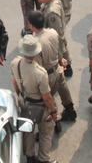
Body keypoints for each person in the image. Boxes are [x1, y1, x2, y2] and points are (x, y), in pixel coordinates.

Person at [11, 34, 57, 163]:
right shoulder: (40, 72)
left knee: (28, 130)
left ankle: (30, 156)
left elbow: (14, 82)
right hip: (40, 106)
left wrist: (21, 95)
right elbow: (47, 97)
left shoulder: (15, 63)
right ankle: (43, 159)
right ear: (36, 52)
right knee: (46, 131)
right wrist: (53, 111)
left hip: (25, 102)